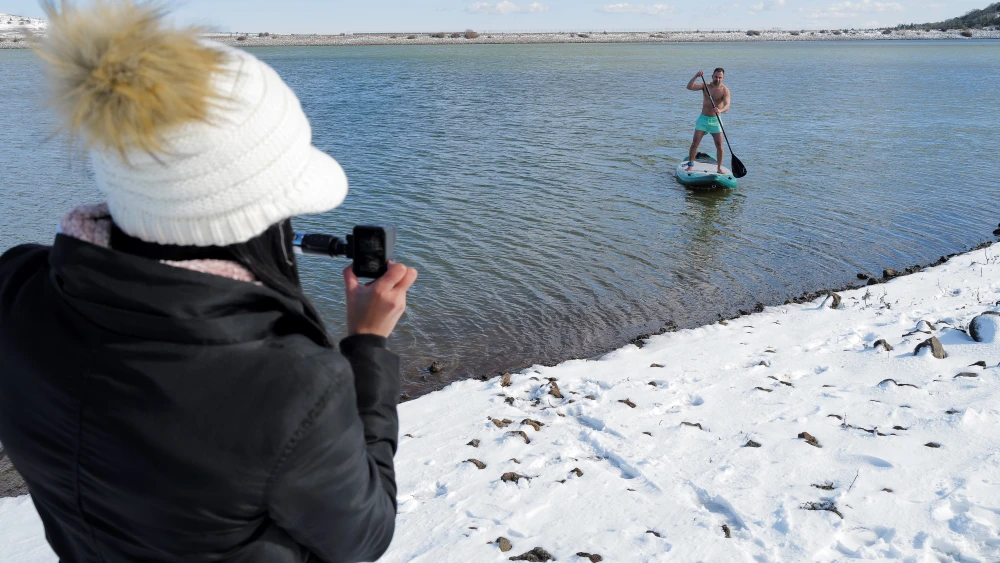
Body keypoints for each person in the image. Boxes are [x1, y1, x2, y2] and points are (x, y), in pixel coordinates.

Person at [0, 2, 416, 562]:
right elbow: (363, 537)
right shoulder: (289, 385)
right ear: (258, 218)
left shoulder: (17, 288)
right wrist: (367, 347)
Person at [685, 68, 731, 174]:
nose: (717, 79)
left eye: (720, 77)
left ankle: (719, 168)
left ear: (723, 78)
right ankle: (690, 165)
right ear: (712, 76)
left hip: (716, 120)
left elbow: (727, 105)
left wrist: (720, 110)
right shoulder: (705, 85)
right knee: (695, 142)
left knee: (719, 145)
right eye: (716, 77)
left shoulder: (725, 90)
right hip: (703, 119)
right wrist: (696, 76)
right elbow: (689, 87)